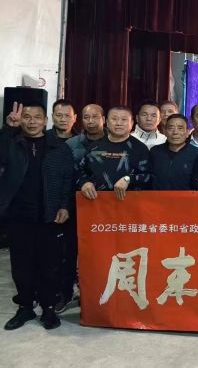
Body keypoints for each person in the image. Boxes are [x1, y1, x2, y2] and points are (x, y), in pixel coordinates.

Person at [0, 102, 74, 330]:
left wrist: (64, 206)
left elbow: (67, 179)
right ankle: (25, 307)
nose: (31, 121)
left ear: (45, 121)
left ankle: (48, 308)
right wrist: (8, 129)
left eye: (37, 117)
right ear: (20, 120)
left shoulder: (59, 148)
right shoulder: (12, 143)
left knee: (49, 266)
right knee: (21, 265)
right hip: (18, 216)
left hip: (49, 217)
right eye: (27, 117)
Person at [57, 103, 106, 314]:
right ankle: (66, 293)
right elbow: (65, 177)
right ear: (80, 119)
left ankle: (100, 296)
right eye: (86, 117)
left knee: (103, 254)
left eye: (95, 116)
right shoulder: (71, 144)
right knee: (69, 252)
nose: (91, 121)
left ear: (104, 119)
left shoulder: (114, 142)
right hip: (76, 207)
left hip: (107, 210)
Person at [78, 106, 150, 200]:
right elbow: (80, 171)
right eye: (114, 119)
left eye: (124, 119)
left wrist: (128, 179)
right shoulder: (95, 146)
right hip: (96, 202)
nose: (119, 123)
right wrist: (84, 183)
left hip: (129, 202)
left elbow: (148, 176)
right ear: (107, 122)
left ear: (132, 123)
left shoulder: (140, 148)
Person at [149, 114, 198, 190]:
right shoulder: (155, 152)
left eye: (180, 128)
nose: (175, 132)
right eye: (171, 128)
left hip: (186, 197)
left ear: (187, 132)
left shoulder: (197, 154)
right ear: (165, 131)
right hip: (157, 197)